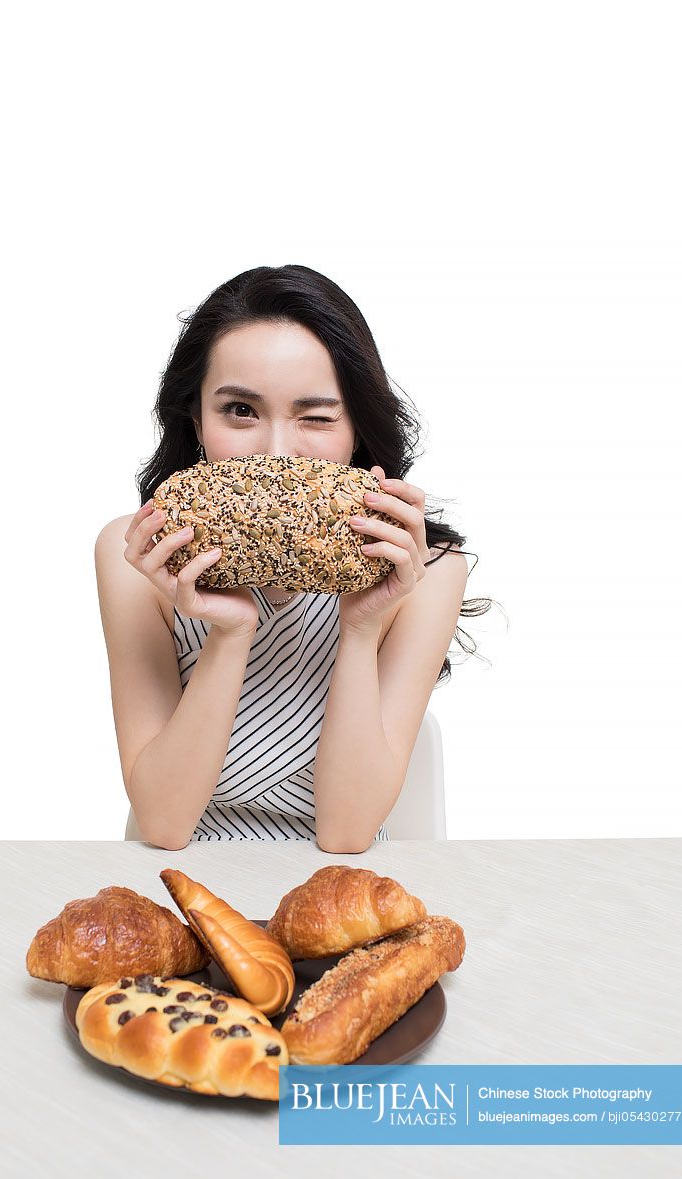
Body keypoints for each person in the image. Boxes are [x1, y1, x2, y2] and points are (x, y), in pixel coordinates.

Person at [94, 265, 490, 851]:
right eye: (240, 412)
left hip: (343, 893)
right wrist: (229, 633)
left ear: (357, 432)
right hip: (181, 888)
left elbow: (347, 833)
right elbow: (163, 824)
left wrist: (360, 627)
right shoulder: (136, 555)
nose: (276, 454)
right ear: (195, 421)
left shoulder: (427, 571)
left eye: (317, 417)